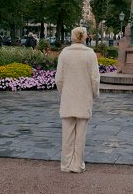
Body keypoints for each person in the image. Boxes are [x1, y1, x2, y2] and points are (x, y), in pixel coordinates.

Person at [55, 26, 100, 173]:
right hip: (84, 97)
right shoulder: (90, 54)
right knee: (81, 135)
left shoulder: (64, 54)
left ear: (73, 37)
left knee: (66, 134)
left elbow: (59, 79)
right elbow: (95, 79)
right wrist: (94, 94)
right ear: (85, 37)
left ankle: (65, 164)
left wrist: (63, 93)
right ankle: (77, 164)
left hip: (68, 97)